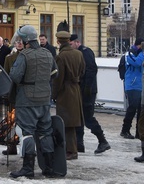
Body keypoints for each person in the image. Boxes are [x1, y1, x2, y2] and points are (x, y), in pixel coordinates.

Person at [8, 25, 58, 178]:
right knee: (45, 132)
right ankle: (49, 167)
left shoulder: (24, 55)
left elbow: (15, 76)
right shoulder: (48, 53)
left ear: (25, 40)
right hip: (44, 99)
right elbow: (55, 73)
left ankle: (28, 168)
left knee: (26, 133)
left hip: (27, 99)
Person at [70, 34, 111, 154]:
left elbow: (92, 69)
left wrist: (87, 86)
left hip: (87, 91)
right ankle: (79, 143)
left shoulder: (85, 52)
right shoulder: (80, 53)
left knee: (88, 118)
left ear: (77, 42)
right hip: (83, 89)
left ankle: (102, 141)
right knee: (79, 117)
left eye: (71, 44)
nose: (70, 46)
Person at [53, 29, 85, 160]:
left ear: (58, 41)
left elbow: (58, 78)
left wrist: (54, 94)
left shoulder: (61, 56)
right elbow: (82, 71)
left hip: (65, 92)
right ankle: (72, 149)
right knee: (72, 121)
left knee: (66, 122)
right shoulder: (78, 54)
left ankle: (71, 150)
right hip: (76, 90)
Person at [121, 38, 144, 139]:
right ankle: (125, 130)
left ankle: (138, 132)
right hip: (132, 84)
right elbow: (137, 63)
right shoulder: (130, 54)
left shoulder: (139, 53)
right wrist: (143, 53)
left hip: (140, 85)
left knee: (141, 109)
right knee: (132, 107)